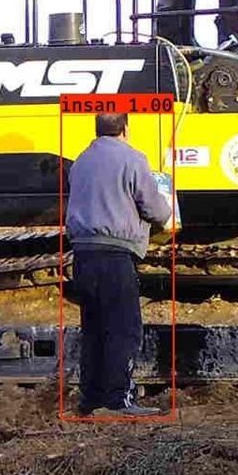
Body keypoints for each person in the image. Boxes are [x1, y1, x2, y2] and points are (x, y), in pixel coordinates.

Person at [65, 112, 172, 416]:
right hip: (116, 255)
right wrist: (167, 216)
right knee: (123, 329)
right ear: (125, 128)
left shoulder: (81, 161)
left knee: (94, 328)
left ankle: (90, 399)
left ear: (97, 130)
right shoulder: (133, 159)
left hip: (83, 256)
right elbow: (154, 208)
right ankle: (118, 400)